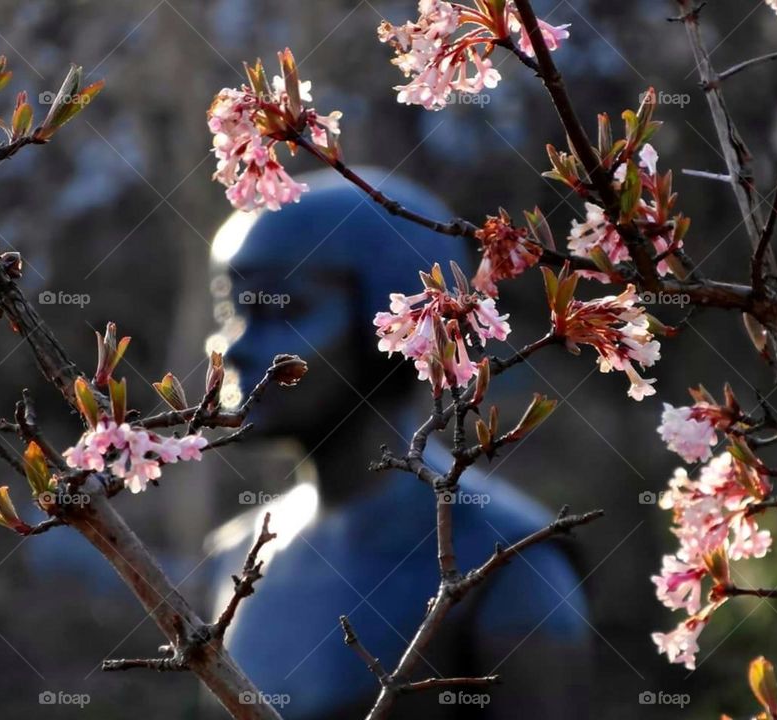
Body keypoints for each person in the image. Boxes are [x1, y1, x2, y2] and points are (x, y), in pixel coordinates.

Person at [205, 168, 593, 719]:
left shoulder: (508, 566)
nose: (234, 348)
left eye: (283, 307)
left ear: (396, 328)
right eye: (230, 309)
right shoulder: (238, 554)